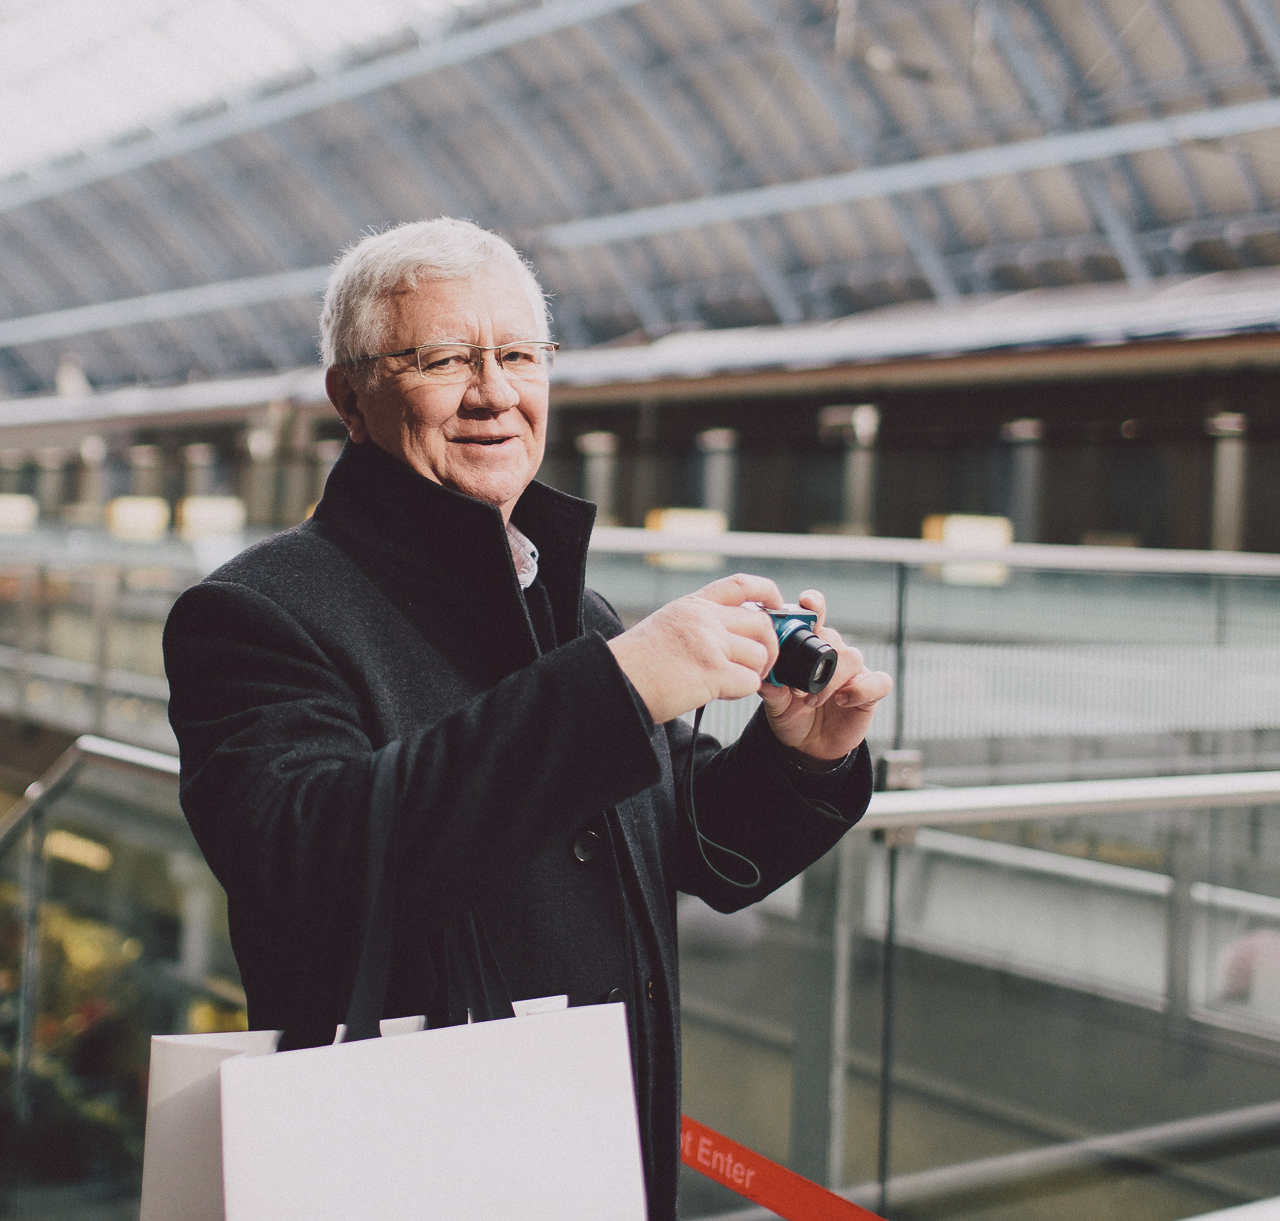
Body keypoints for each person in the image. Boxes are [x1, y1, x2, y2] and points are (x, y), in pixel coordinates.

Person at [161, 217, 892, 1219]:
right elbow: (307, 859)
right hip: (404, 1170)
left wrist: (797, 758)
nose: (495, 393)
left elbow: (683, 842)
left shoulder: (568, 610)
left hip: (599, 1157)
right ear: (351, 399)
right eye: (443, 359)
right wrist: (620, 684)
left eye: (517, 355)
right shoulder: (255, 612)